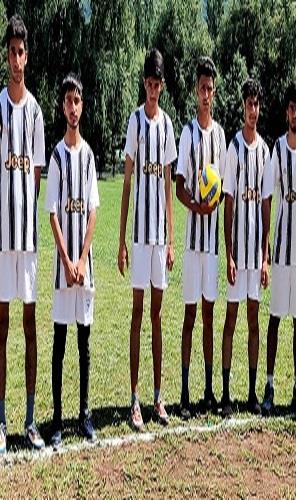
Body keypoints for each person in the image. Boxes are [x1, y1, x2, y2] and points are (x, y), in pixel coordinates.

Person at [0, 14, 46, 454]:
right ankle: (2, 421)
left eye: (21, 52)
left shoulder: (37, 112)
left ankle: (28, 419)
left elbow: (36, 175)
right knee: (2, 325)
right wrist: (3, 218)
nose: (16, 59)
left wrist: (23, 216)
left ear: (28, 56)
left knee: (29, 324)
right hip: (5, 240)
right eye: (11, 51)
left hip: (29, 242)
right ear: (6, 56)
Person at [118, 48, 177, 430]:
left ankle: (157, 397)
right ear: (144, 84)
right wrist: (122, 240)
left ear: (162, 86)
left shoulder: (167, 125)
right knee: (138, 314)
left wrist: (171, 239)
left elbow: (169, 184)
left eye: (158, 85)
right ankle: (135, 398)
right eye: (149, 84)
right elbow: (127, 183)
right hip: (139, 238)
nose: (153, 90)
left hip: (159, 240)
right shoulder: (136, 121)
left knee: (157, 316)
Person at [45, 73, 99, 449]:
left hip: (84, 267)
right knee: (60, 341)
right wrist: (67, 261)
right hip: (65, 270)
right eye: (68, 101)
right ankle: (58, 419)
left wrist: (81, 259)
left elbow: (93, 211)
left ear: (83, 106)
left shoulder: (89, 156)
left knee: (84, 340)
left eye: (77, 100)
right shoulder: (57, 157)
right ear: (62, 107)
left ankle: (84, 414)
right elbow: (52, 213)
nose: (73, 107)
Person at [175, 57, 226, 419]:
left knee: (209, 314)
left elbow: (222, 187)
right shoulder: (187, 133)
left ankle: (209, 388)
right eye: (202, 88)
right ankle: (184, 392)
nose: (206, 94)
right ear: (196, 91)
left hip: (212, 246)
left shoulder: (220, 136)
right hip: (193, 243)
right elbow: (179, 186)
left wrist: (214, 202)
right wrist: (197, 205)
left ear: (214, 92)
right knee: (190, 314)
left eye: (210, 89)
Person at [261, 82, 296, 416]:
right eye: (291, 108)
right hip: (281, 249)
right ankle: (269, 386)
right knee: (275, 317)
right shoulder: (277, 149)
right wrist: (267, 245)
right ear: (286, 113)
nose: (295, 113)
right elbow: (268, 198)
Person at [221, 78, 272, 418]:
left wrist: (265, 257)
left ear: (260, 108)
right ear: (243, 106)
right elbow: (228, 204)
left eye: (257, 104)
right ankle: (226, 394)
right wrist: (229, 254)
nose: (253, 110)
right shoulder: (233, 148)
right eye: (249, 103)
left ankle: (252, 392)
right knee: (231, 320)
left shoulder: (265, 151)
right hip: (238, 255)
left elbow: (266, 205)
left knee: (254, 322)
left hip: (256, 256)